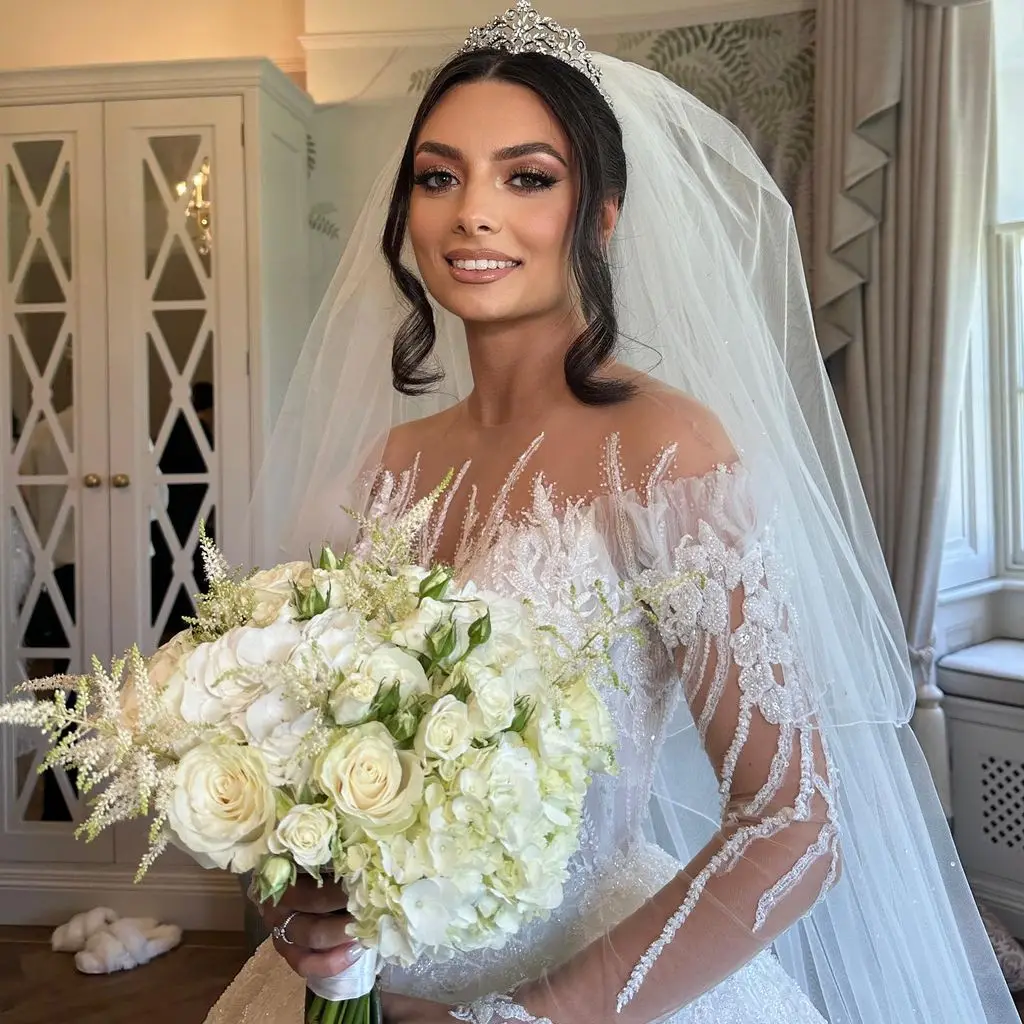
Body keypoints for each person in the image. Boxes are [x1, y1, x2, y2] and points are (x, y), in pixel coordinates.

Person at [205, 4, 1019, 1022]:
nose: (473, 214)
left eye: (527, 177)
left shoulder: (665, 453)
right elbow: (311, 768)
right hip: (372, 989)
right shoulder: (387, 469)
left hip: (590, 983)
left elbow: (793, 819)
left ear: (600, 213)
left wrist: (526, 1018)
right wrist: (306, 910)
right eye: (439, 175)